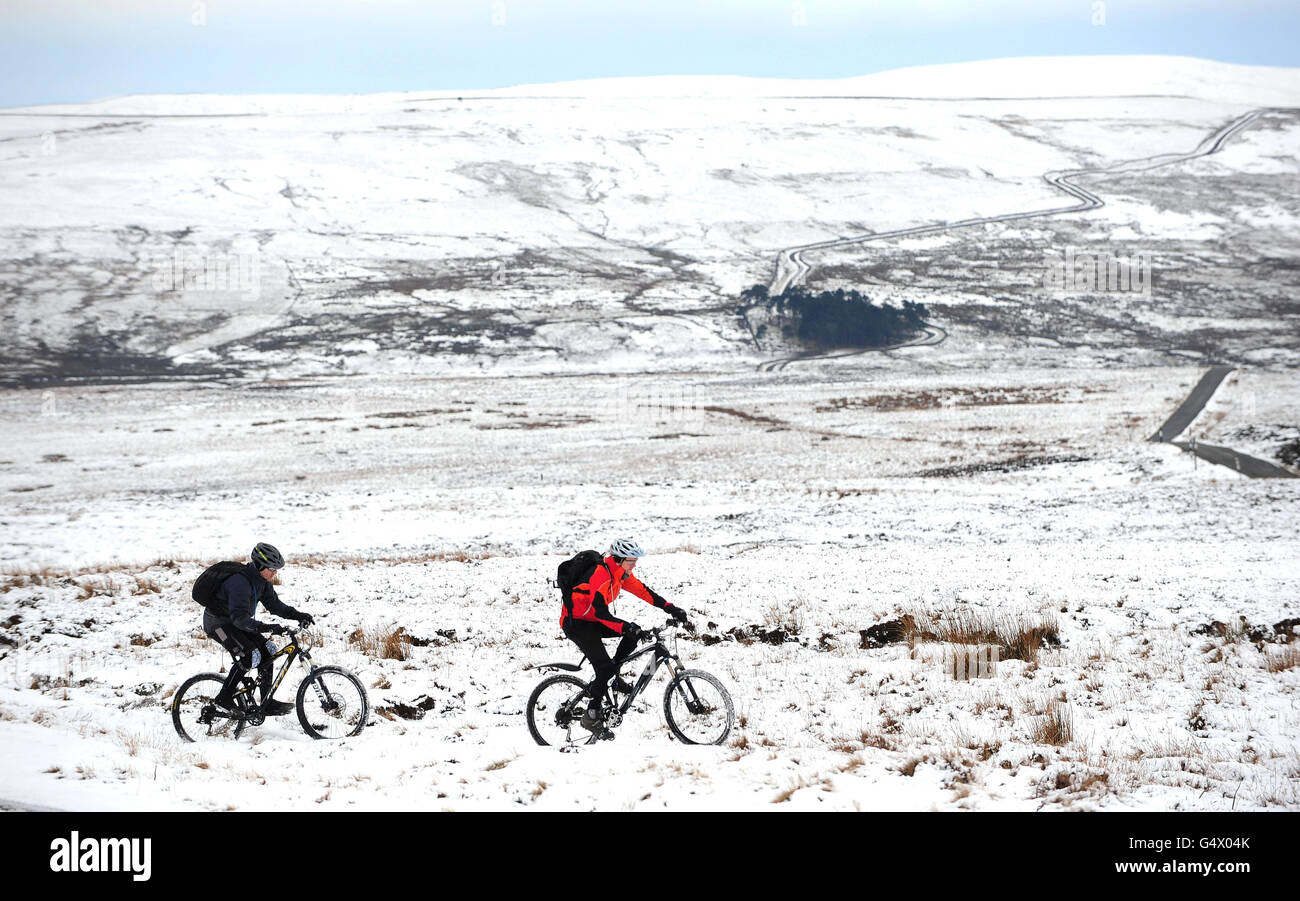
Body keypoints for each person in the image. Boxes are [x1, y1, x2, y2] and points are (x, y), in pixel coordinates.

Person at [560, 537, 690, 736]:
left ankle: (615, 676)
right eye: (632, 561)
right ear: (619, 559)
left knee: (632, 632)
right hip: (577, 624)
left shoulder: (619, 574)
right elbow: (601, 614)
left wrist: (671, 608)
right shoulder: (600, 575)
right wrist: (624, 628)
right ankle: (591, 715)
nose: (635, 565)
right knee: (604, 667)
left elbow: (645, 592)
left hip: (592, 620)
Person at [202, 542, 315, 715]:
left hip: (237, 622)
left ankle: (266, 701)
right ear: (260, 565)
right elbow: (239, 619)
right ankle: (224, 697)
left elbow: (275, 605)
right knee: (248, 655)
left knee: (268, 651)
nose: (275, 572)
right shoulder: (239, 583)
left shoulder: (262, 581)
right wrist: (267, 628)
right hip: (219, 623)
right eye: (272, 568)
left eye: (276, 569)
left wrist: (298, 615)